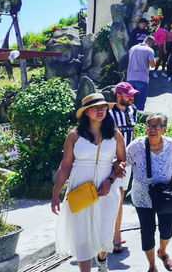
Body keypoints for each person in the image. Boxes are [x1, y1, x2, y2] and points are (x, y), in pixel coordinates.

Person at [52, 93, 126, 272]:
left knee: (103, 237)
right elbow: (65, 165)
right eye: (95, 108)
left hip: (106, 191)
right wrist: (55, 194)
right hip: (80, 188)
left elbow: (122, 161)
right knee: (82, 238)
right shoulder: (74, 136)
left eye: (103, 108)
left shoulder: (115, 135)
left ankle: (102, 260)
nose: (100, 111)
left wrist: (110, 180)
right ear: (86, 112)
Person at [126, 113, 172, 272]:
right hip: (143, 197)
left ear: (164, 129)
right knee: (147, 232)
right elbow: (123, 160)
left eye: (156, 126)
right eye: (149, 125)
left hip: (165, 196)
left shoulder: (171, 144)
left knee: (167, 230)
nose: (152, 129)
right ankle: (152, 266)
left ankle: (162, 251)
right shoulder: (136, 146)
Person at [108, 82, 140, 253]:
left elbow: (133, 133)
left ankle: (115, 233)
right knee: (117, 196)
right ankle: (116, 236)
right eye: (128, 95)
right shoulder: (108, 115)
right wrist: (113, 161)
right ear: (118, 96)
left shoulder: (132, 111)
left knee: (120, 196)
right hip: (113, 162)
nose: (132, 97)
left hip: (128, 162)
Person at [127, 36, 156, 112]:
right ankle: (138, 120)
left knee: (129, 102)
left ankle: (129, 119)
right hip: (142, 78)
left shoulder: (132, 48)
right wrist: (155, 61)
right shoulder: (149, 50)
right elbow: (152, 65)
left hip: (130, 78)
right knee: (140, 102)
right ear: (150, 43)